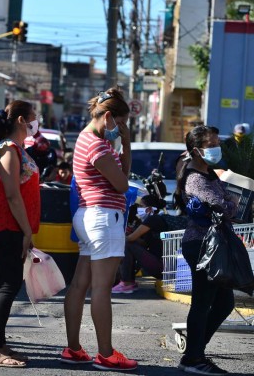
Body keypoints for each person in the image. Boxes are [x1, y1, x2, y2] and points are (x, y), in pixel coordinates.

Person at [62, 88, 137, 371]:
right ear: (108, 117)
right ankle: (106, 354)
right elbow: (122, 184)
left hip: (88, 216)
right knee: (102, 288)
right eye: (120, 123)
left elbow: (120, 176)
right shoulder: (98, 146)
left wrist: (125, 146)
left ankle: (74, 349)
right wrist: (125, 146)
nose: (122, 129)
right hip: (103, 218)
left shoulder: (86, 138)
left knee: (80, 284)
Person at [0, 101, 41, 368]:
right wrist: (27, 230)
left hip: (10, 224)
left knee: (0, 282)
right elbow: (12, 194)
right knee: (9, 283)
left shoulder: (14, 148)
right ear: (20, 120)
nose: (35, 123)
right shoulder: (8, 149)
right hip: (9, 225)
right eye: (33, 118)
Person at [174, 125, 236, 375]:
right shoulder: (196, 178)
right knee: (203, 302)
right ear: (197, 150)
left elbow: (226, 204)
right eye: (211, 144)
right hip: (202, 245)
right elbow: (223, 207)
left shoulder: (209, 173)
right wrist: (231, 202)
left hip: (212, 244)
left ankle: (195, 351)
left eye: (216, 142)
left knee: (223, 303)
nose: (216, 147)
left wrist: (229, 202)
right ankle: (193, 358)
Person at [112, 195, 167, 294]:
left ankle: (127, 283)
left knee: (128, 244)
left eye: (141, 206)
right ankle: (125, 280)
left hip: (160, 265)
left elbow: (131, 239)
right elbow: (144, 243)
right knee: (130, 244)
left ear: (149, 209)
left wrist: (122, 236)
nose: (138, 209)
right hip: (160, 264)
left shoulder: (153, 219)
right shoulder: (156, 219)